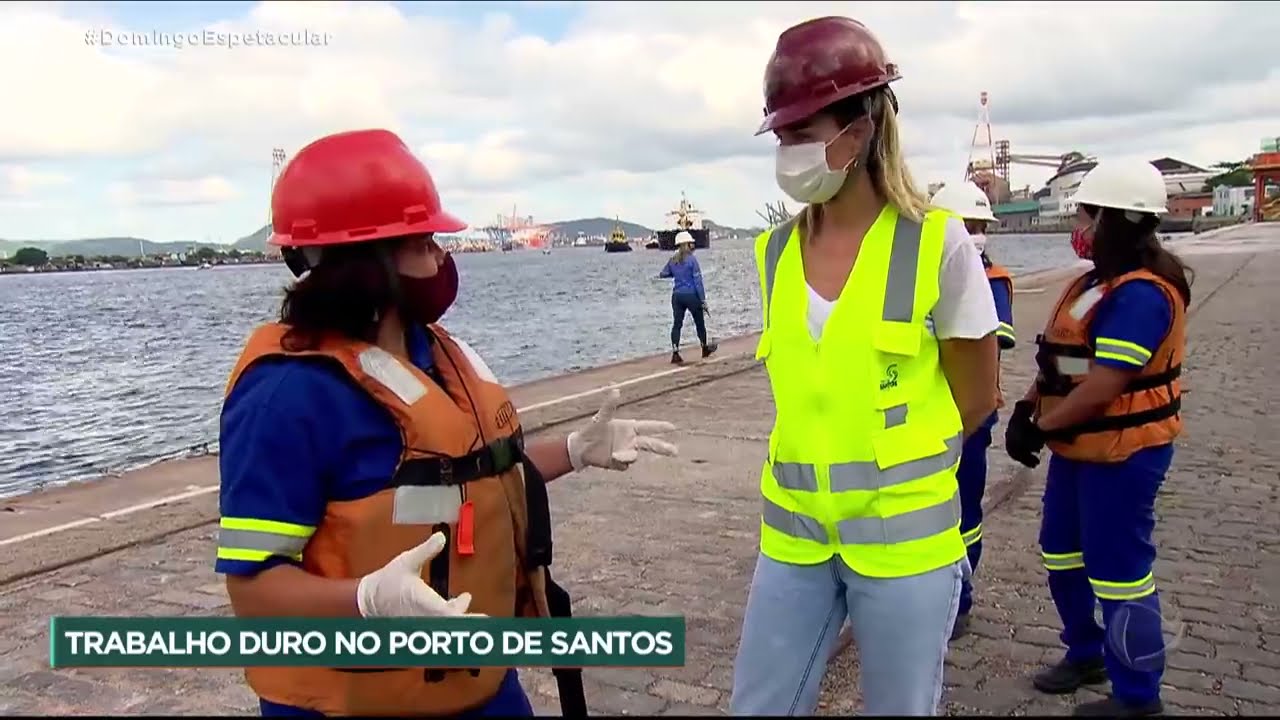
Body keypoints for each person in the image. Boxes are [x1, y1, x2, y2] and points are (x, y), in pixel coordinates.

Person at [215, 128, 680, 718]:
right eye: (425, 241)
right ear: (368, 260)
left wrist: (575, 449)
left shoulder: (432, 352)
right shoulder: (285, 397)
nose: (441, 257)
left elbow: (466, 478)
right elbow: (252, 591)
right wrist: (366, 601)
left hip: (480, 688)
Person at [731, 16, 1001, 717]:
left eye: (804, 133)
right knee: (760, 706)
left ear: (863, 127)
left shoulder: (938, 245)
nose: (790, 152)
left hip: (905, 544)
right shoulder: (772, 253)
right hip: (794, 537)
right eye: (782, 136)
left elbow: (976, 397)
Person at [1004, 159, 1191, 717]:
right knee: (1061, 553)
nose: (1077, 226)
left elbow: (1105, 384)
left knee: (1120, 571)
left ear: (1114, 218)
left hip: (1125, 452)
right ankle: (1085, 652)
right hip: (1079, 448)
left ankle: (1138, 696)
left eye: (1084, 213)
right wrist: (1029, 405)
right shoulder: (1091, 287)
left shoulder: (1143, 296)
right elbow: (1065, 363)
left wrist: (1043, 427)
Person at [927, 181, 1016, 639]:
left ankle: (959, 603)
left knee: (965, 514)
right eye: (969, 225)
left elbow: (990, 342)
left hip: (969, 420)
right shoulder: (918, 276)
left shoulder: (992, 280)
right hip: (923, 418)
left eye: (980, 226)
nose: (974, 234)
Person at [658, 230, 717, 364]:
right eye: (691, 243)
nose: (692, 245)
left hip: (677, 296)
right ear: (687, 244)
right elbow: (698, 282)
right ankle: (704, 348)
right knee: (699, 323)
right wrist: (703, 300)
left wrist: (676, 274)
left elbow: (663, 273)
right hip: (691, 296)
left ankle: (675, 352)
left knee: (677, 324)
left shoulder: (672, 260)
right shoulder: (692, 260)